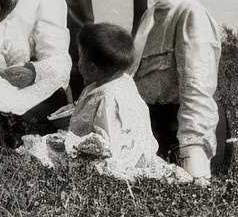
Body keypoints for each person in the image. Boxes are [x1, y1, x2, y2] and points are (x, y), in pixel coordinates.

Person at [126, 0, 229, 179]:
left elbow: (197, 94)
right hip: (150, 129)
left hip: (181, 136)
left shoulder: (190, 14)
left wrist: (195, 170)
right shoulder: (151, 16)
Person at [18, 23, 188, 182]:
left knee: (43, 149)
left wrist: (73, 143)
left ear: (91, 67)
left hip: (116, 154)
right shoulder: (121, 82)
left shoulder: (109, 98)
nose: (78, 62)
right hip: (122, 148)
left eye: (80, 57)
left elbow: (106, 143)